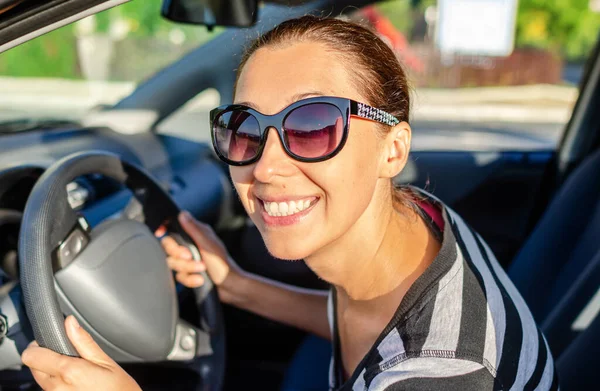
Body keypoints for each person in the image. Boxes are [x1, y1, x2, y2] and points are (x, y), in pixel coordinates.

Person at [21, 15, 557, 390]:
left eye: (314, 126)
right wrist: (235, 285)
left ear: (392, 150)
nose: (265, 167)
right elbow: (367, 323)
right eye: (244, 128)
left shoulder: (443, 375)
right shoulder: (416, 218)